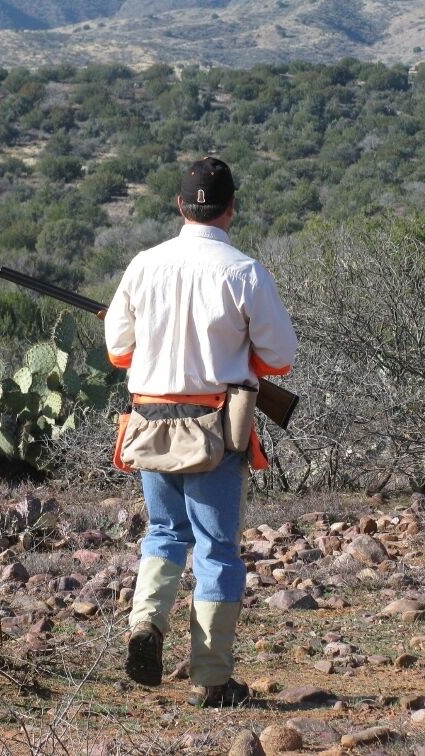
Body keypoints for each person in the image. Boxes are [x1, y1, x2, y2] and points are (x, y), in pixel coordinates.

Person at [104, 157, 297, 707]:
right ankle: (211, 679)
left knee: (164, 533)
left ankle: (146, 623)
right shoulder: (244, 272)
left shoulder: (144, 265)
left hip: (150, 424)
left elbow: (119, 350)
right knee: (216, 549)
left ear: (180, 206)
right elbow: (280, 357)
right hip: (215, 427)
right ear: (232, 208)